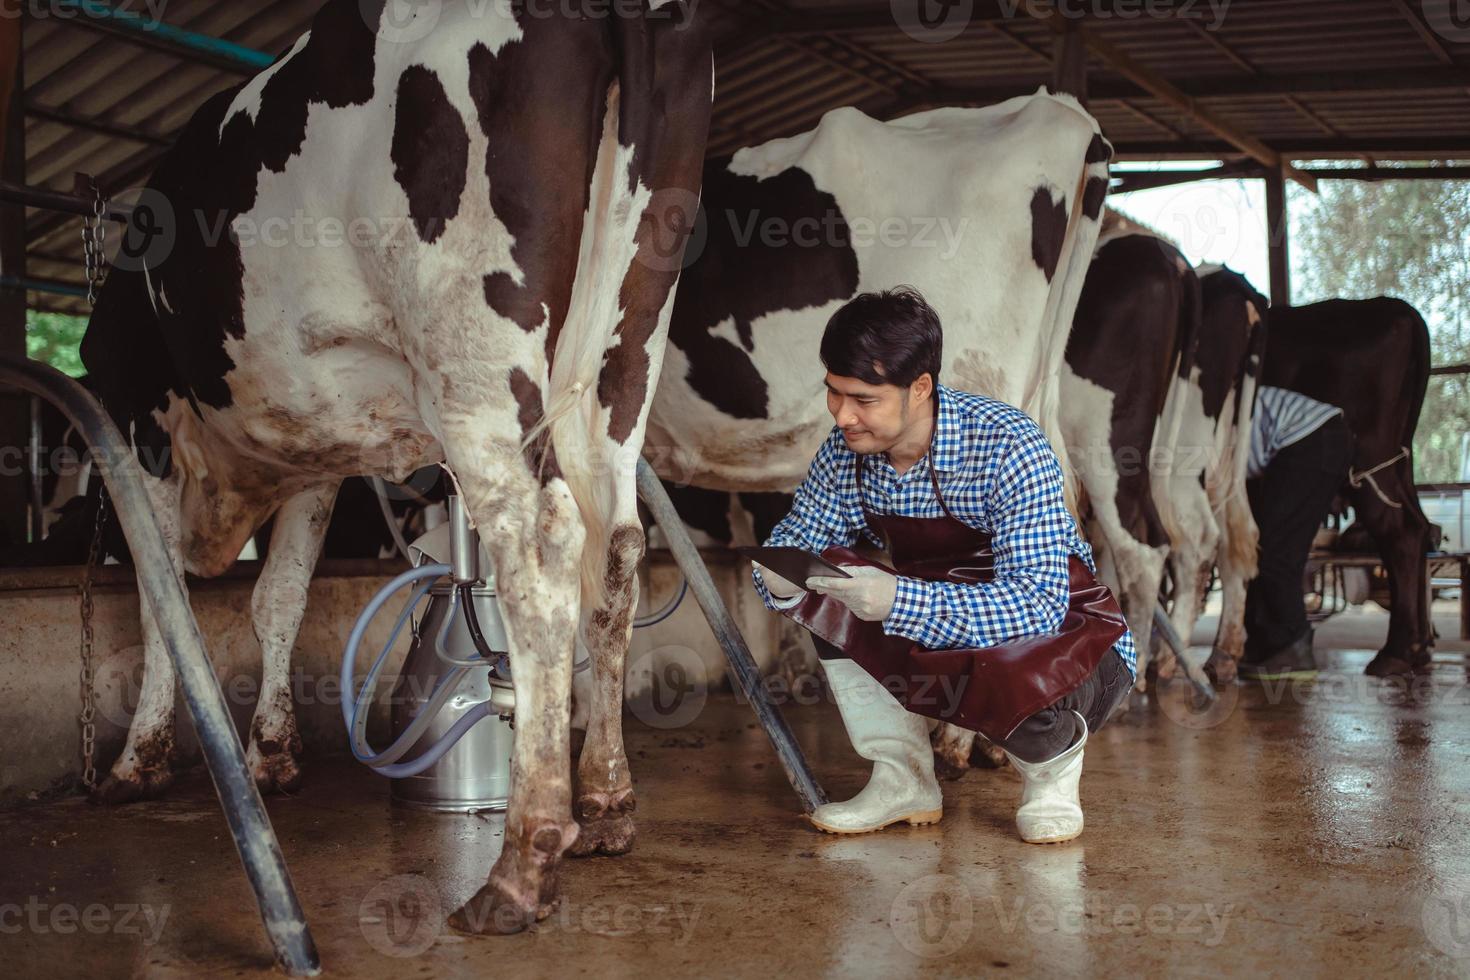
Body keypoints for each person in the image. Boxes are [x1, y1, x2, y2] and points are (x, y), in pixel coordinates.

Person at [749, 286, 1136, 845]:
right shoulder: (846, 451)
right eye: (833, 393)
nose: (842, 414)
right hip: (948, 618)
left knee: (1014, 646)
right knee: (826, 579)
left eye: (863, 398)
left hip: (1073, 646)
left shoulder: (1007, 443)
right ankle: (901, 777)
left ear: (920, 388)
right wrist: (784, 578)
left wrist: (898, 600)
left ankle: (1051, 770)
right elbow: (800, 537)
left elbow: (1040, 607)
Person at [1239, 385, 1355, 681]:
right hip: (1316, 436)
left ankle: (1291, 648)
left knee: (1274, 552)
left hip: (1308, 438)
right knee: (1271, 548)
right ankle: (1266, 647)